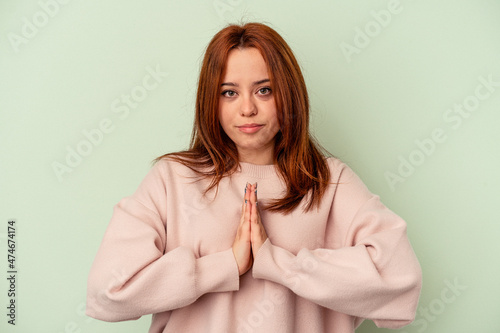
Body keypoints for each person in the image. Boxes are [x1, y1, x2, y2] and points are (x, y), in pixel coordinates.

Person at [86, 22, 422, 333]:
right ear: (211, 101)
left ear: (288, 95)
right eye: (229, 92)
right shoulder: (172, 179)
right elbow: (109, 290)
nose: (247, 108)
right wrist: (224, 266)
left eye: (264, 90)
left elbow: (400, 279)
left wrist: (277, 263)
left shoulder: (329, 182)